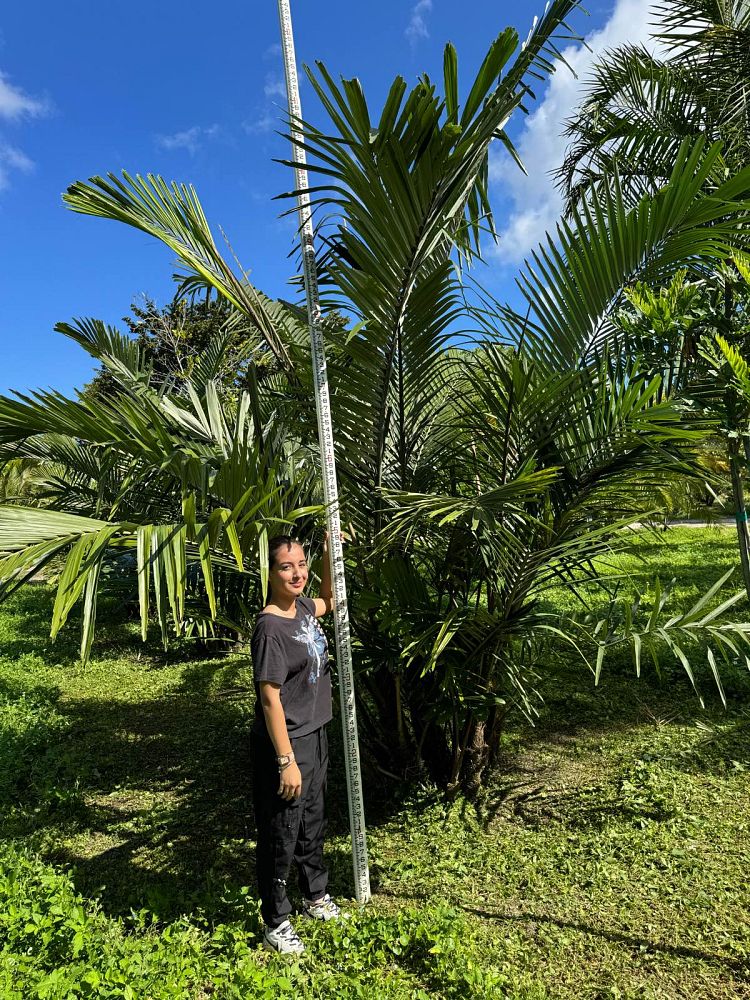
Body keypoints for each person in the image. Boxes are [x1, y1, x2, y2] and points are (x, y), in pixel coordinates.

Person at [251, 532, 342, 954]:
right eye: (286, 566)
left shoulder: (304, 607)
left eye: (301, 564)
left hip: (317, 731)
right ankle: (276, 920)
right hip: (290, 741)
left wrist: (328, 554)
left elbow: (332, 601)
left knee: (313, 821)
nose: (297, 573)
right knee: (282, 831)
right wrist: (286, 760)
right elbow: (269, 698)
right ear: (270, 573)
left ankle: (315, 896)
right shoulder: (270, 628)